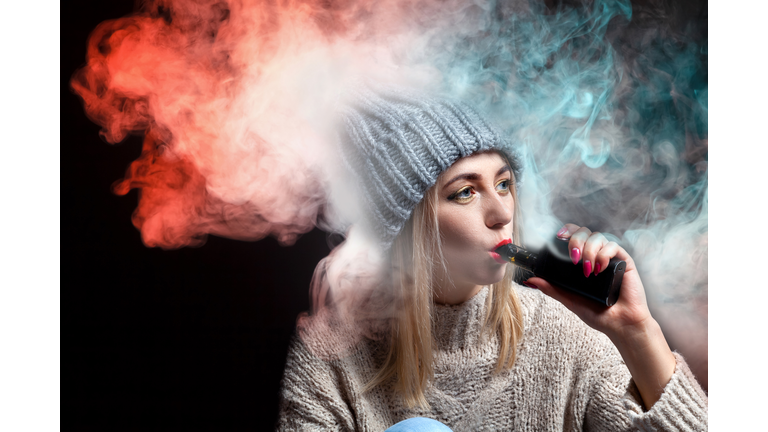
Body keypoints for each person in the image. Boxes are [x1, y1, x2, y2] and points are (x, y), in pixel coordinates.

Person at [276, 87, 708, 431]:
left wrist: (637, 333)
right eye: (465, 192)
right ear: (404, 227)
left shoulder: (566, 332)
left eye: (503, 184)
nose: (502, 213)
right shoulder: (331, 356)